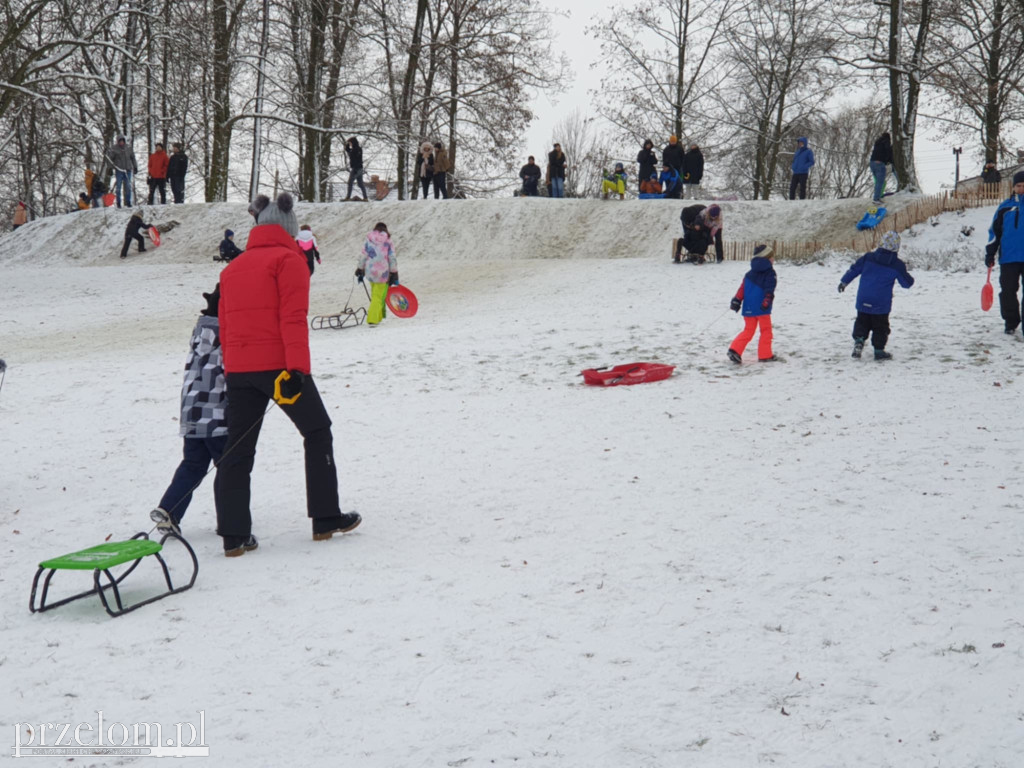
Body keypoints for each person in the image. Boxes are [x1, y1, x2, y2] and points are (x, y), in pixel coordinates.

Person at [215, 192, 361, 557]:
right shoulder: (289, 261)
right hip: (280, 368)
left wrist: (231, 369)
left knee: (237, 449)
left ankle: (234, 535)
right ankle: (325, 517)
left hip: (240, 371)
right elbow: (293, 319)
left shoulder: (232, 268)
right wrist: (297, 369)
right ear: (289, 226)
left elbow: (225, 326)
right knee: (317, 430)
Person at [149, 286, 227, 536]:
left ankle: (169, 509)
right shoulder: (227, 333)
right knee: (227, 467)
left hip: (191, 410)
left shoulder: (200, 332)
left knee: (193, 464)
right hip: (216, 414)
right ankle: (229, 518)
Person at [838, 230, 914, 360]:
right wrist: (909, 278)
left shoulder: (868, 258)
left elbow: (854, 269)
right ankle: (879, 351)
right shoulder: (897, 265)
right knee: (881, 326)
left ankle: (859, 341)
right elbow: (906, 284)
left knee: (862, 321)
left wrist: (844, 282)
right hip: (881, 303)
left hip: (863, 299)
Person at [985, 170, 1024, 334]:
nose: (1021, 189)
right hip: (1008, 258)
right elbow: (995, 232)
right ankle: (1010, 322)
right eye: (1019, 185)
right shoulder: (1004, 208)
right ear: (1014, 187)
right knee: (1008, 292)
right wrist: (990, 253)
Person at [727, 244, 777, 363]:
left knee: (748, 330)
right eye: (772, 257)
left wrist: (737, 300)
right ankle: (765, 355)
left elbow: (742, 289)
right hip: (762, 307)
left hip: (748, 307)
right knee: (766, 330)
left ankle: (735, 350)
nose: (773, 260)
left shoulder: (749, 273)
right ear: (766, 258)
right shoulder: (770, 273)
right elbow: (769, 288)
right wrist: (767, 300)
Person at [356, 222, 397, 326]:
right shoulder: (388, 241)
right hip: (383, 272)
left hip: (370, 271)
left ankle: (378, 317)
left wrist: (360, 268)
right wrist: (394, 272)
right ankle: (373, 319)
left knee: (375, 294)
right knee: (378, 296)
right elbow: (392, 257)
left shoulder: (369, 239)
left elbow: (364, 255)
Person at [105, 135, 138, 207]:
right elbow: (110, 159)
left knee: (128, 187)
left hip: (128, 170)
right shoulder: (114, 149)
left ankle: (128, 202)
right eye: (120, 141)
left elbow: (133, 158)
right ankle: (118, 203)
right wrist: (109, 168)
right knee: (118, 187)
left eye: (122, 141)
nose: (121, 142)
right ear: (118, 141)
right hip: (119, 170)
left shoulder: (128, 148)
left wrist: (135, 167)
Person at [869, 132, 893, 204]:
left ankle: (878, 197)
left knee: (878, 182)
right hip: (880, 163)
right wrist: (889, 160)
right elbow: (888, 151)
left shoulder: (878, 142)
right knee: (880, 182)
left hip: (872, 163)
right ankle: (876, 198)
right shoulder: (886, 142)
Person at [344, 137, 368, 201]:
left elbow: (353, 157)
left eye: (350, 143)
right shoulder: (357, 149)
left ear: (353, 142)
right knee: (360, 184)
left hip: (356, 169)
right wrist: (347, 145)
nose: (350, 144)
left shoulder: (356, 149)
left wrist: (355, 169)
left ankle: (348, 197)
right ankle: (365, 197)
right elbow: (348, 151)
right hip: (359, 168)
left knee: (350, 182)